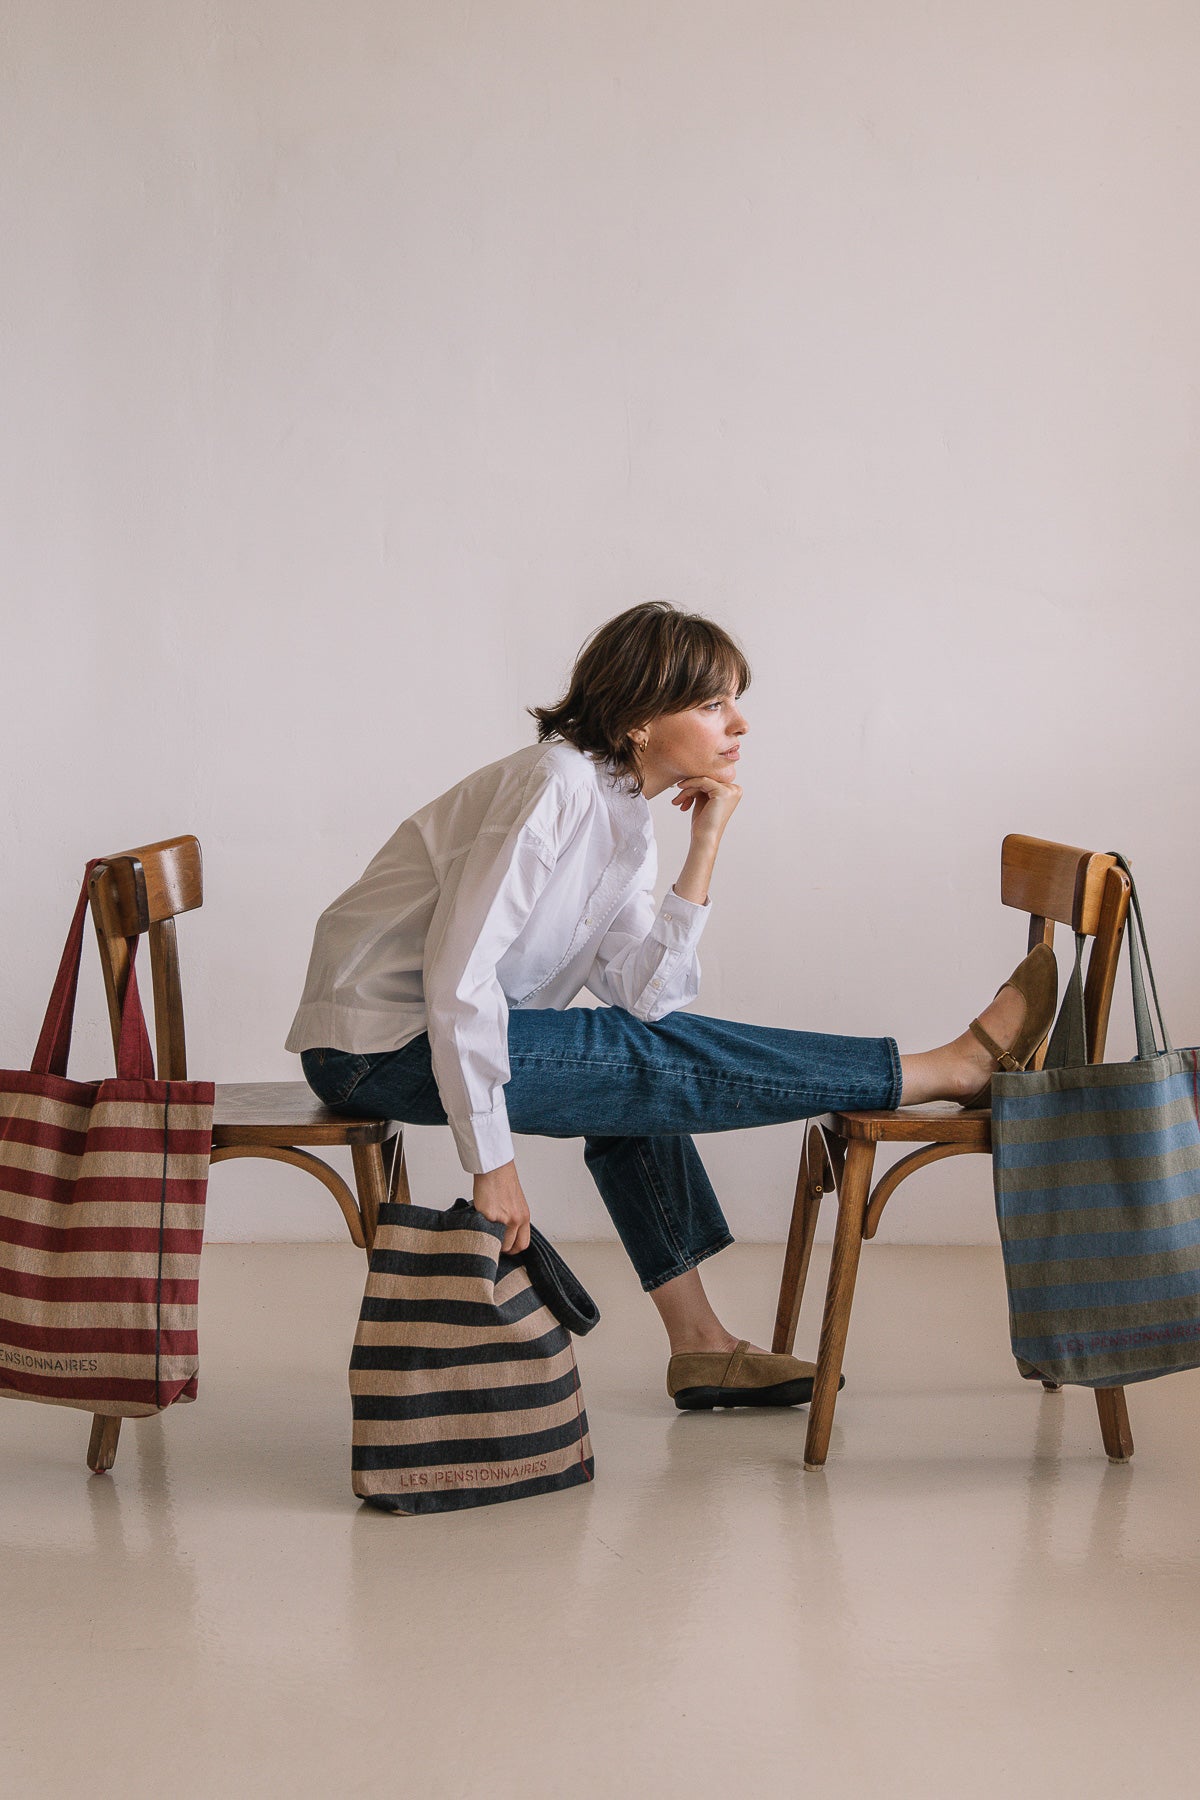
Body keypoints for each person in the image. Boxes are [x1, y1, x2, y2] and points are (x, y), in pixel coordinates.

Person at [287, 602, 1056, 1410]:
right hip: (374, 1045)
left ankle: (700, 1348)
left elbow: (647, 999)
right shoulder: (556, 785)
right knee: (641, 1064)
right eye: (713, 702)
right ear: (640, 719)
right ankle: (937, 1069)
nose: (740, 723)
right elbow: (458, 982)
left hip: (439, 1031)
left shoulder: (623, 818)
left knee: (638, 1063)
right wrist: (495, 1169)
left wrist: (706, 845)